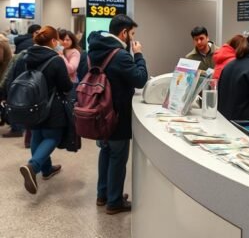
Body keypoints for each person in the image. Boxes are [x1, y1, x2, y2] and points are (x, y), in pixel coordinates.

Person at [81, 14, 148, 215]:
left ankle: (103, 194)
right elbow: (140, 79)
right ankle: (114, 201)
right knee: (118, 158)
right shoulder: (120, 55)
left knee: (105, 152)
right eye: (132, 34)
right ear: (124, 33)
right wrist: (138, 55)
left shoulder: (91, 52)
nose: (133, 39)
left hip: (97, 114)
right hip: (116, 116)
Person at [13, 26, 73, 194]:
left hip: (32, 103)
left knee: (37, 135)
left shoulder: (27, 56)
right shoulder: (56, 60)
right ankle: (33, 166)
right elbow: (66, 86)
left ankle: (47, 170)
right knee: (52, 136)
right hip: (51, 105)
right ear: (53, 41)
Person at [0, 33, 13, 126]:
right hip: (5, 72)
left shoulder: (0, 42)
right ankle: (4, 118)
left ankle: (6, 117)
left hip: (2, 73)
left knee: (2, 98)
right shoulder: (3, 40)